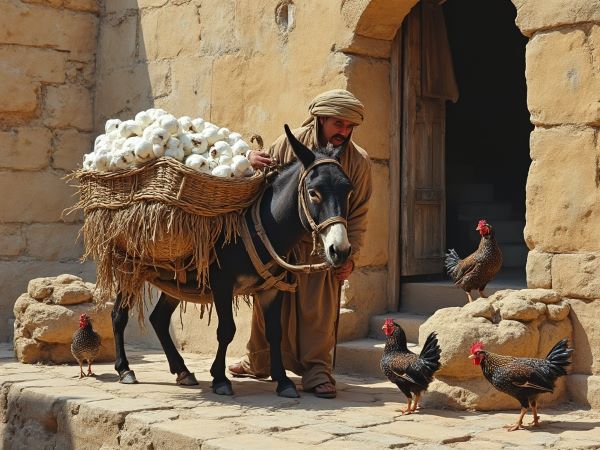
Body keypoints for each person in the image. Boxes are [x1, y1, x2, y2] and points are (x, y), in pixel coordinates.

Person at [229, 89, 372, 398]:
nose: (343, 133)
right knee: (267, 306)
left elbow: (358, 213)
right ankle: (259, 360)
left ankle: (317, 370)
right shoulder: (288, 143)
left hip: (324, 247)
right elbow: (260, 182)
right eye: (338, 124)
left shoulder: (358, 162)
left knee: (317, 310)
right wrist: (247, 159)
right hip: (280, 246)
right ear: (320, 119)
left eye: (349, 127)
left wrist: (350, 255)